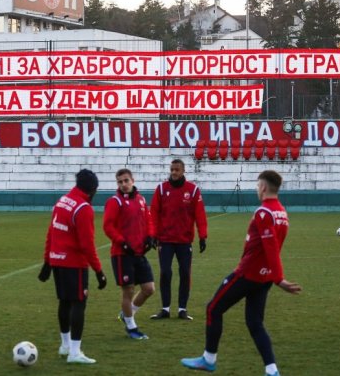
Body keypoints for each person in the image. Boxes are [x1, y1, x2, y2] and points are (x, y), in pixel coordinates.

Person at [181, 170, 301, 376]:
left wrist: (279, 278)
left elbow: (271, 246)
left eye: (257, 186)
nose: (257, 189)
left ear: (263, 187)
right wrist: (273, 276)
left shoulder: (264, 212)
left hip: (248, 273)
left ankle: (208, 359)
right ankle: (272, 370)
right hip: (264, 277)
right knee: (255, 323)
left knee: (213, 309)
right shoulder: (282, 212)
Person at [38, 169, 107, 364]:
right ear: (92, 189)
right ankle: (75, 353)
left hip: (57, 260)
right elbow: (87, 245)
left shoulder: (62, 201)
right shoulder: (83, 208)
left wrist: (47, 261)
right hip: (74, 263)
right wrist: (99, 271)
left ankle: (65, 345)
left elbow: (51, 231)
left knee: (64, 302)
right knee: (78, 304)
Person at [150, 159, 207, 320]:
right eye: (172, 169)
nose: (174, 172)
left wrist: (202, 236)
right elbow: (153, 214)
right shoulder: (161, 189)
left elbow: (200, 215)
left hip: (184, 241)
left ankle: (182, 309)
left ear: (183, 171)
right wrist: (153, 234)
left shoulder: (193, 190)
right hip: (165, 240)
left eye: (177, 170)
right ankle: (165, 309)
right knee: (165, 273)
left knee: (184, 273)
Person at [103, 168, 156, 339]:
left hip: (139, 253)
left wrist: (150, 236)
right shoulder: (114, 202)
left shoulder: (140, 199)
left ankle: (127, 314)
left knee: (149, 289)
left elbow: (148, 219)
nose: (124, 184)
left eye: (126, 181)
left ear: (132, 180)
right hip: (121, 254)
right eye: (120, 182)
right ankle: (131, 327)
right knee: (129, 290)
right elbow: (108, 226)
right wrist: (122, 243)